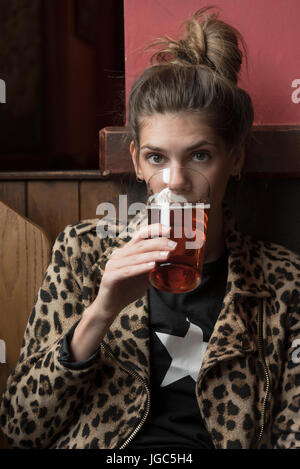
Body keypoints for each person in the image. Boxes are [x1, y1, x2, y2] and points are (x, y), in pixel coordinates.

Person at [1, 5, 299, 450]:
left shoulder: (284, 282)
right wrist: (101, 312)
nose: (176, 180)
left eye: (199, 155)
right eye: (158, 157)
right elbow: (20, 426)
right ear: (138, 162)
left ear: (234, 159)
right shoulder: (83, 252)